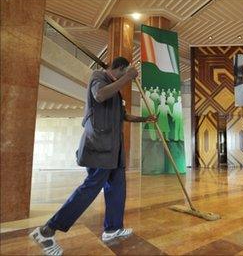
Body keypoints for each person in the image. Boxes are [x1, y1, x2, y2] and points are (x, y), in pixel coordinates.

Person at [29, 57, 157, 256]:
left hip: (114, 150)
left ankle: (112, 228)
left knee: (117, 187)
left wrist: (145, 119)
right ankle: (47, 230)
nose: (127, 78)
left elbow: (124, 116)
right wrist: (127, 78)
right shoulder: (98, 77)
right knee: (91, 188)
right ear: (120, 69)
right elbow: (99, 95)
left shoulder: (116, 90)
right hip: (100, 147)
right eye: (125, 74)